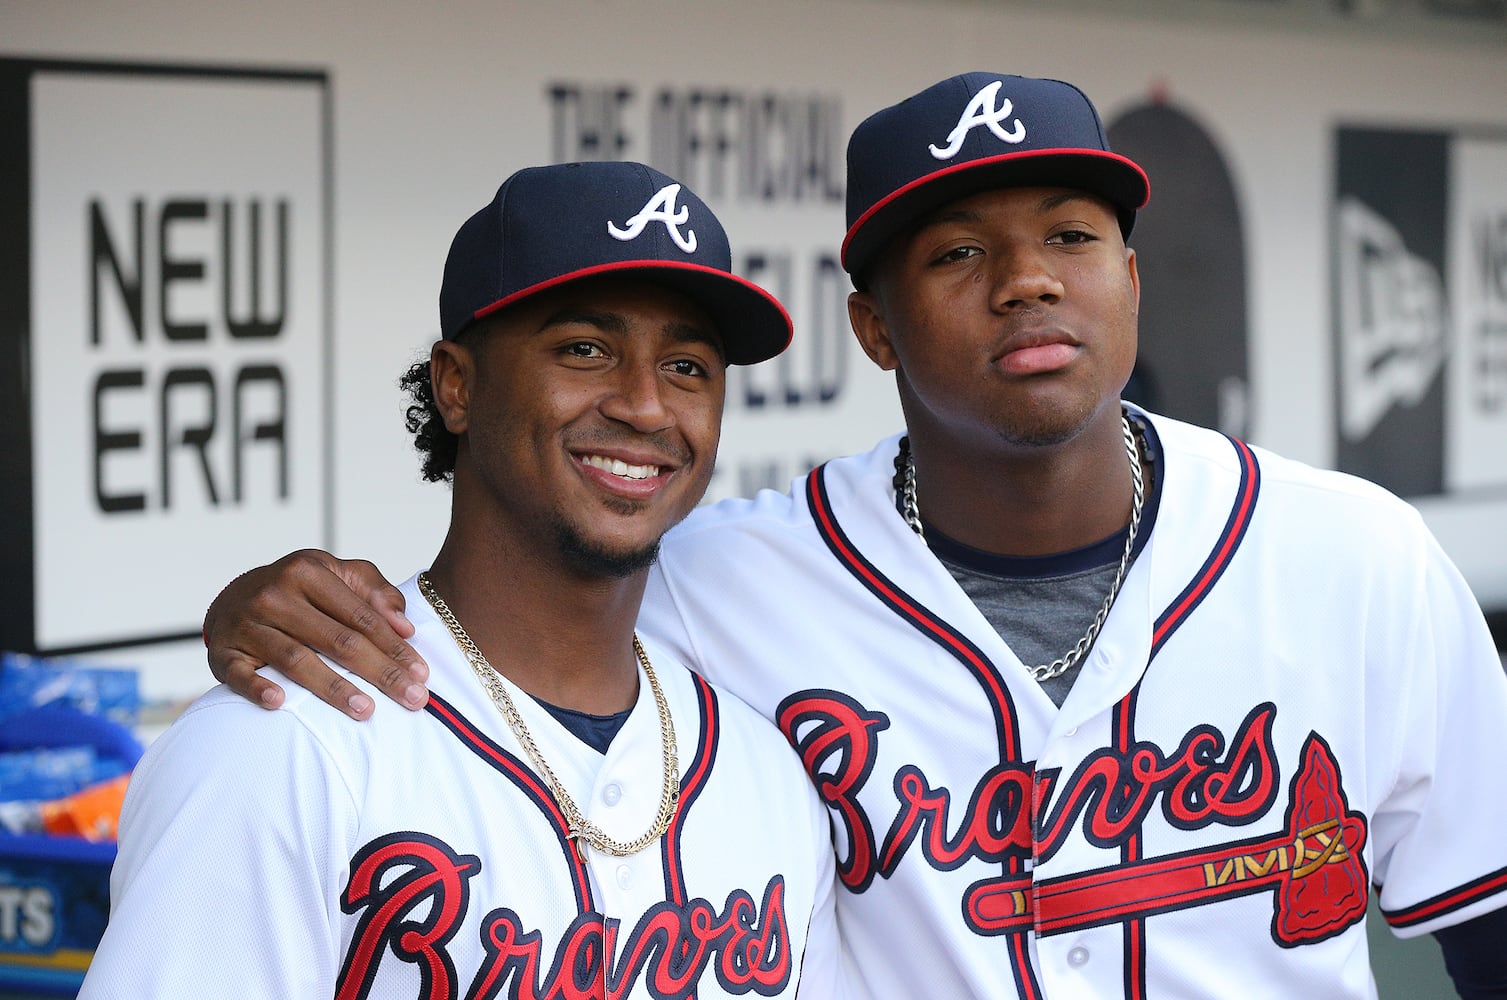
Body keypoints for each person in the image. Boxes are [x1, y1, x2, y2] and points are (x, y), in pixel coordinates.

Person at [201, 74, 1507, 999]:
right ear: (871, 329)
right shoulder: (714, 587)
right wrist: (264, 607)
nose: (1027, 279)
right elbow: (505, 608)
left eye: (1071, 234)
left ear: (1130, 277)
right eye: (954, 252)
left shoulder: (1356, 558)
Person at [81, 161, 838, 998]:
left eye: (687, 367)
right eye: (585, 349)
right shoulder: (285, 746)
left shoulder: (766, 778)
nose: (646, 406)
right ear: (456, 384)